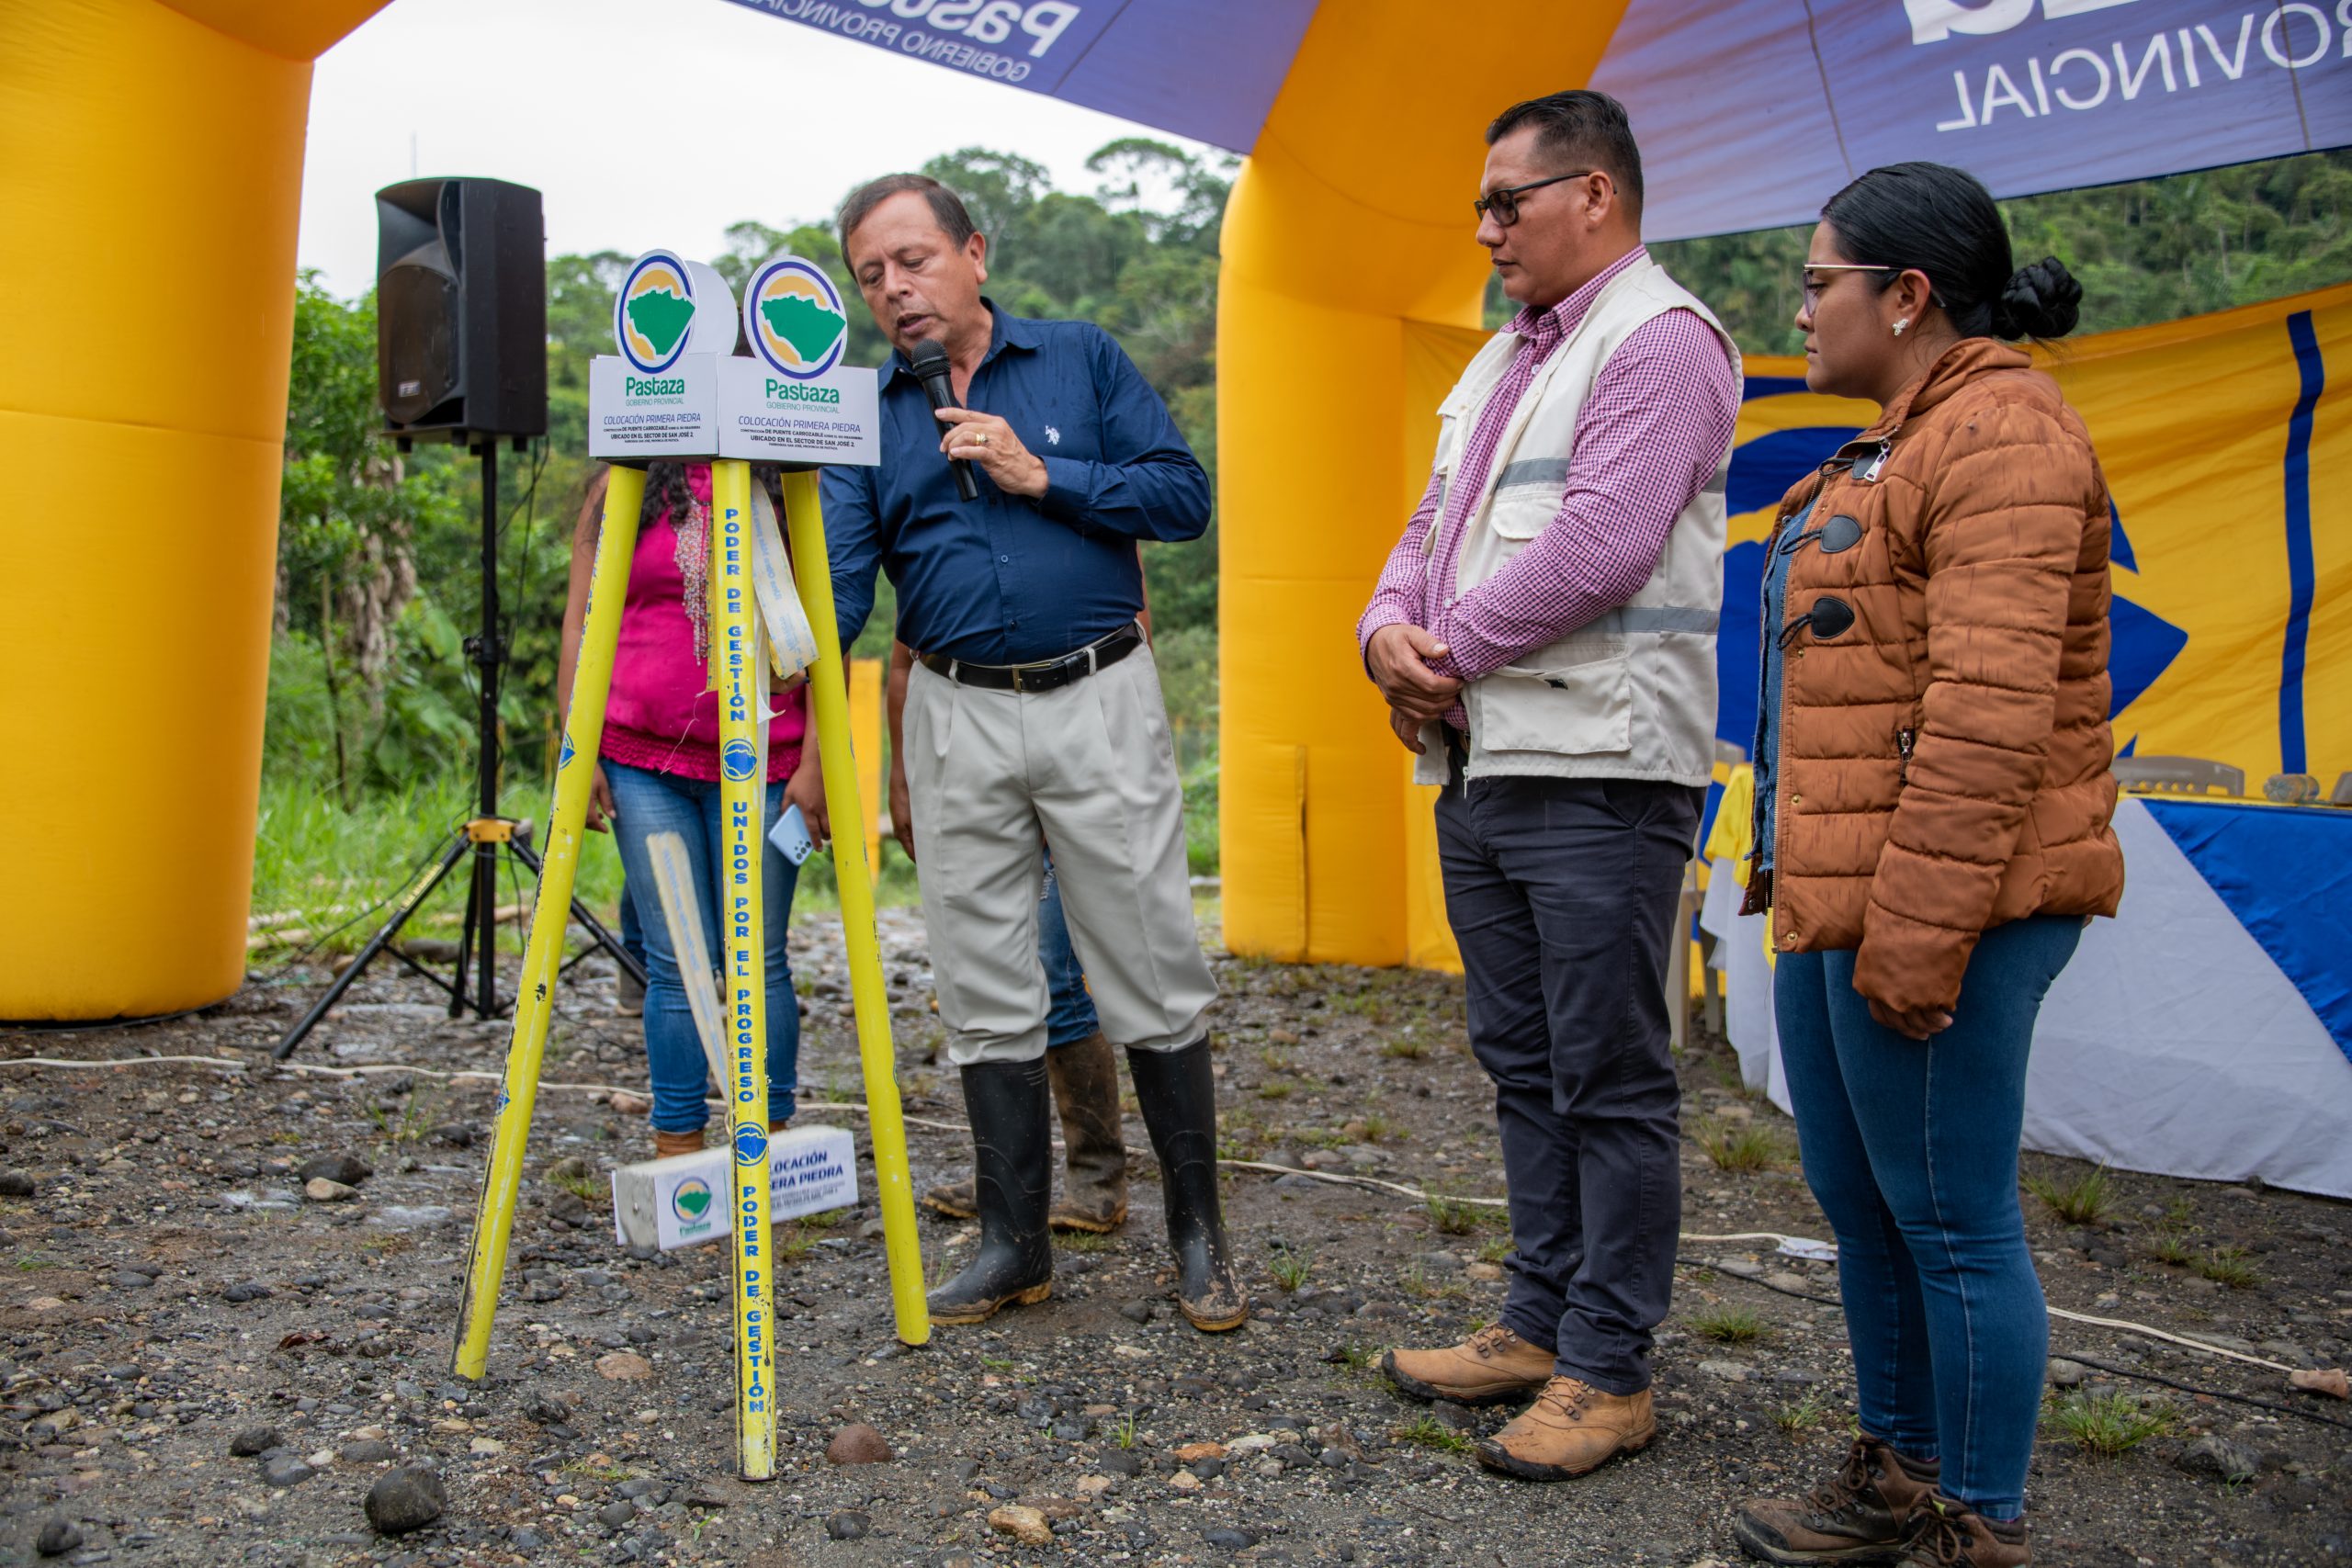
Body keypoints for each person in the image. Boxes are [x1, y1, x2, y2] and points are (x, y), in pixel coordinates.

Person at [1730, 164, 2120, 1568]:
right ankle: (1900, 1470)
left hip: (1949, 902)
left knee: (1953, 1220)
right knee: (1865, 1199)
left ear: (1905, 295)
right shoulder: (1900, 440)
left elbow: (1989, 714)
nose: (1803, 307)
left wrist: (1917, 930)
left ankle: (1985, 1524)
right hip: (1853, 892)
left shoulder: (2004, 436)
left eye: (1820, 281)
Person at [1359, 89, 1740, 1481]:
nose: (1485, 227)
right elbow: (1430, 524)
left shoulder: (1662, 339)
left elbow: (1606, 541)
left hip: (1600, 770)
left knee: (1611, 1075)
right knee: (1524, 1062)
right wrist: (1381, 632)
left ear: (1597, 195)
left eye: (1506, 201)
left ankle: (1609, 1367)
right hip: (1491, 758)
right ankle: (1539, 1318)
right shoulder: (1503, 355)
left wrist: (1439, 648)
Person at [821, 174, 1238, 1330]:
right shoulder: (861, 414)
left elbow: (1180, 497)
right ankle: (1014, 1245)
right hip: (950, 707)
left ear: (974, 254)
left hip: (1097, 692)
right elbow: (846, 591)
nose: (895, 289)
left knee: (1150, 958)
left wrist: (1041, 474)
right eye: (871, 275)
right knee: (982, 976)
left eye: (911, 259)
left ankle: (1198, 1236)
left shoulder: (1082, 360)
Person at [559, 462, 828, 1159]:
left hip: (769, 761)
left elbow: (834, 619)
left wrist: (819, 760)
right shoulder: (623, 482)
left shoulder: (793, 485)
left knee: (758, 960)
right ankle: (679, 1153)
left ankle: (768, 1147)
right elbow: (583, 613)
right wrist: (575, 747)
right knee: (677, 963)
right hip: (641, 757)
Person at [896, 635, 1129, 1235]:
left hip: (1066, 749)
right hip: (970, 763)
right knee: (988, 978)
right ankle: (1007, 1180)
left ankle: (1096, 1174)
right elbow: (903, 662)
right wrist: (903, 775)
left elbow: (1130, 646)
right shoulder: (936, 552)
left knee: (1057, 972)